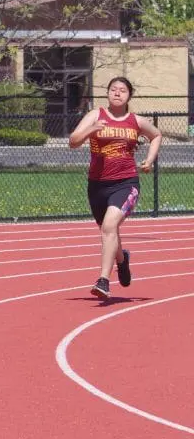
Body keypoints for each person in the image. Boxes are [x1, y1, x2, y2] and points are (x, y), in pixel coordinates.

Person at [69, 76, 161, 299]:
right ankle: (122, 259)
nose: (117, 93)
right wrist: (92, 129)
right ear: (108, 93)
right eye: (113, 89)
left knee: (109, 226)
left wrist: (149, 160)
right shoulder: (95, 115)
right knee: (109, 230)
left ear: (129, 95)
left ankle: (103, 280)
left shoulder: (135, 121)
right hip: (97, 185)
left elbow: (156, 135)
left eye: (122, 90)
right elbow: (73, 142)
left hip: (126, 183)